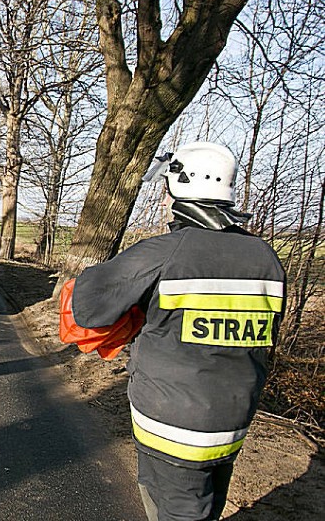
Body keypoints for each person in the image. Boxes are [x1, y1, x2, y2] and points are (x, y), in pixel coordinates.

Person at [65, 142, 286, 521]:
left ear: (177, 189)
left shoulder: (167, 252)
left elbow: (87, 305)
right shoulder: (266, 257)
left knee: (178, 511)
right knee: (209, 504)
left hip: (172, 424)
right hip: (232, 419)